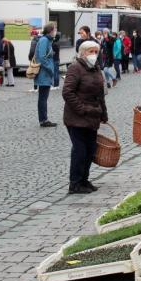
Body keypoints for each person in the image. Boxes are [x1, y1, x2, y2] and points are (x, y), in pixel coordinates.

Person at [62, 40, 108, 194]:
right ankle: (75, 183)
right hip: (76, 117)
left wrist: (103, 113)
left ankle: (84, 180)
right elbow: (67, 92)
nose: (94, 55)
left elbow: (100, 94)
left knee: (90, 150)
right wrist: (81, 109)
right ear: (82, 53)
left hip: (93, 115)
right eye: (91, 52)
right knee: (80, 150)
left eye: (96, 51)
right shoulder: (75, 68)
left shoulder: (96, 69)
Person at [35, 22, 58, 127]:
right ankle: (44, 120)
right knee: (43, 98)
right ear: (50, 30)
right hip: (44, 73)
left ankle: (44, 119)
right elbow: (41, 57)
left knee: (43, 97)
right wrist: (50, 69)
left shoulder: (47, 40)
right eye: (55, 29)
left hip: (45, 73)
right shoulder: (44, 40)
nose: (56, 31)